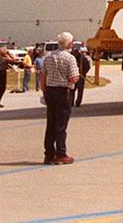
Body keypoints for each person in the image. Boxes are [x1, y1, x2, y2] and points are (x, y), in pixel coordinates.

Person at [41, 32, 79, 165]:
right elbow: (73, 77)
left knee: (50, 123)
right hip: (63, 92)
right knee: (61, 125)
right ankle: (61, 153)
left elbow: (43, 76)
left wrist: (44, 91)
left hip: (50, 91)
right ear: (69, 44)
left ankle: (49, 154)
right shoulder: (70, 58)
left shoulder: (49, 56)